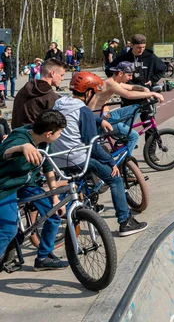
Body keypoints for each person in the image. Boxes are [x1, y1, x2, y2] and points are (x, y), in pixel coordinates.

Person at [52, 72, 148, 237]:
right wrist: (111, 162)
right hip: (77, 158)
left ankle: (89, 204)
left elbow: (73, 119)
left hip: (59, 157)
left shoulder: (59, 104)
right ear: (88, 92)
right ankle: (125, 221)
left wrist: (98, 120)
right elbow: (92, 146)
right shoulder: (84, 111)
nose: (95, 98)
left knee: (81, 178)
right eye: (94, 94)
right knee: (115, 179)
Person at [0, 110, 69, 270]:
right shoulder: (19, 137)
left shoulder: (45, 143)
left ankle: (43, 257)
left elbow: (47, 166)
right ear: (48, 133)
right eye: (59, 133)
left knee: (54, 213)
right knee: (8, 229)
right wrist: (23, 147)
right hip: (5, 186)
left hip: (26, 183)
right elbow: (4, 152)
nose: (60, 136)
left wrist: (55, 196)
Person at [88, 62, 164, 156]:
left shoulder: (115, 81)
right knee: (135, 136)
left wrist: (145, 89)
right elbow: (128, 95)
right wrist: (152, 94)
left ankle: (124, 136)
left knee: (136, 107)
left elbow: (131, 87)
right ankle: (125, 163)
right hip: (100, 120)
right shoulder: (110, 83)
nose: (131, 78)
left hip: (105, 114)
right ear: (120, 73)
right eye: (129, 75)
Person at [106, 34, 167, 106]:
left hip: (145, 92)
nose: (141, 50)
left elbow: (163, 68)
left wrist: (152, 80)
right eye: (138, 47)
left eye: (143, 47)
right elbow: (109, 70)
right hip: (128, 94)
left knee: (148, 117)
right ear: (132, 45)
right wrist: (119, 82)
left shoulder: (150, 56)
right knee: (128, 116)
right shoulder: (124, 58)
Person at [12, 58, 65, 129]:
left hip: (18, 135)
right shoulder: (51, 97)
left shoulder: (23, 90)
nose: (62, 79)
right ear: (52, 73)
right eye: (61, 75)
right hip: (36, 138)